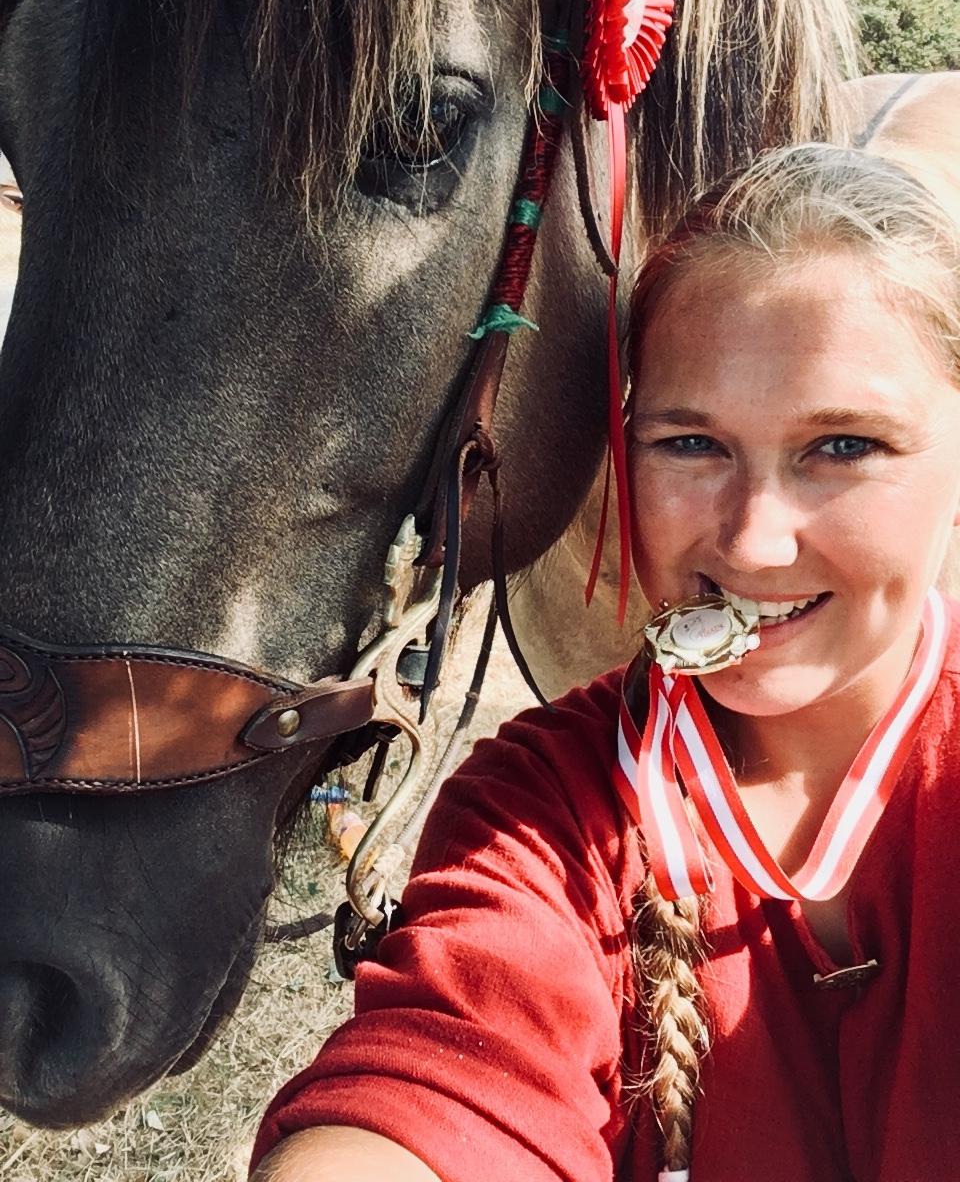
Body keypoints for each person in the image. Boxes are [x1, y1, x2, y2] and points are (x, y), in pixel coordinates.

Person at [249, 144, 960, 1182]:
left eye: (843, 445)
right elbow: (436, 1091)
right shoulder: (541, 808)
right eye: (690, 443)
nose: (754, 541)